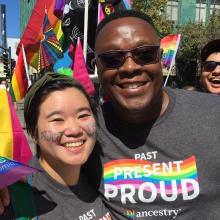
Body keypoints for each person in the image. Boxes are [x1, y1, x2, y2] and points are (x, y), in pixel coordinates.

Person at [1, 9, 220, 220]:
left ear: (160, 58)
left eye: (144, 54)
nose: (130, 67)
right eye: (113, 59)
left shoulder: (213, 113)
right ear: (98, 67)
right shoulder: (92, 128)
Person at [1, 72, 112, 219]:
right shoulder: (13, 196)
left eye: (83, 115)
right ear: (33, 132)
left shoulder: (100, 170)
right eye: (57, 119)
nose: (74, 129)